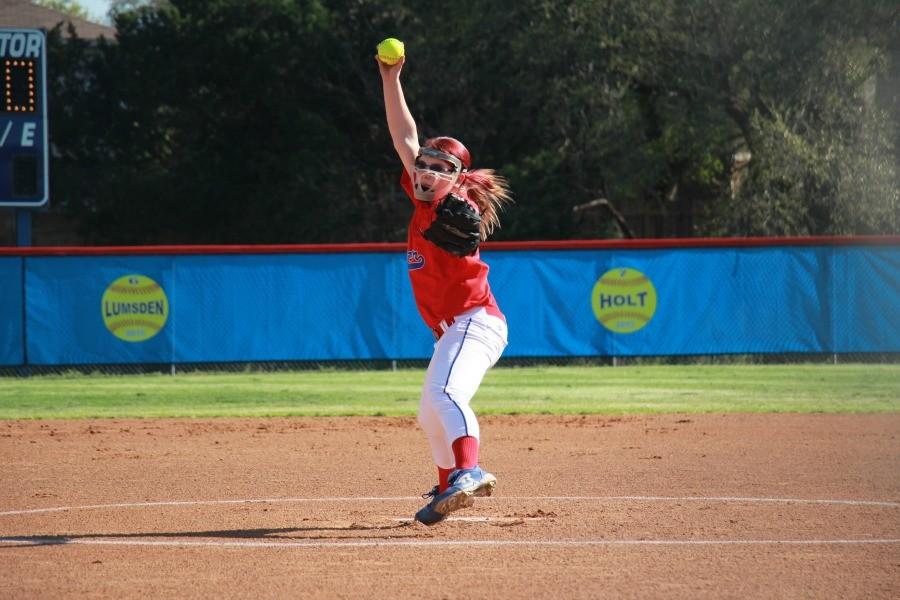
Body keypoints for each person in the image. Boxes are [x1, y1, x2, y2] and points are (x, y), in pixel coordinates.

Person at [377, 51, 513, 525]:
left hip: (476, 322)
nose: (427, 171)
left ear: (456, 179)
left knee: (446, 396)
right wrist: (390, 78)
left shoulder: (450, 208)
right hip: (453, 331)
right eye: (424, 165)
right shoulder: (421, 197)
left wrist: (458, 202)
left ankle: (469, 470)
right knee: (428, 410)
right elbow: (404, 137)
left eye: (440, 168)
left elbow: (465, 226)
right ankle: (444, 487)